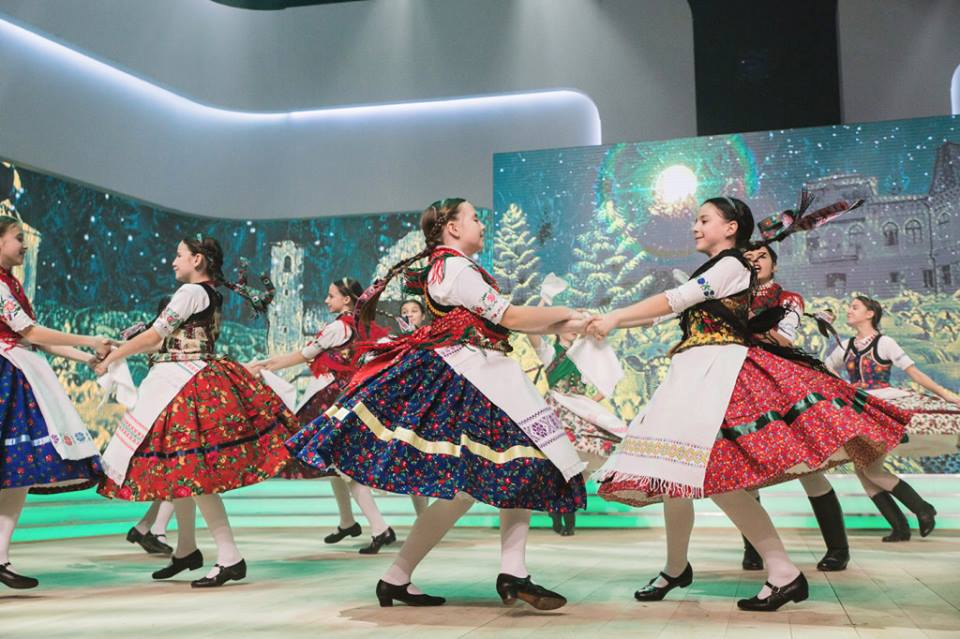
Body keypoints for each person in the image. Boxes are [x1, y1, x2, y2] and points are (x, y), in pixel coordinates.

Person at [588, 196, 909, 611]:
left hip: (716, 374)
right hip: (695, 373)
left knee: (710, 474)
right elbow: (662, 313)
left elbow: (675, 299)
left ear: (731, 227)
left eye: (704, 219)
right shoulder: (715, 268)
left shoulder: (732, 265)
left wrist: (613, 317)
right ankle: (678, 568)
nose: (695, 227)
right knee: (675, 473)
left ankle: (782, 572)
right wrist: (598, 320)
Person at [288, 198, 588, 609]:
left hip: (479, 375)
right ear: (452, 227)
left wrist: (565, 322)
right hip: (474, 378)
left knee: (499, 475)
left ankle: (413, 577)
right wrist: (570, 314)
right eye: (474, 218)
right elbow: (509, 317)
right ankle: (502, 573)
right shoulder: (456, 269)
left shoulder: (449, 267)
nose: (481, 224)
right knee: (510, 468)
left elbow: (502, 320)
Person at [96, 235, 299, 587]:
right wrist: (120, 347)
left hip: (184, 384)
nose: (174, 261)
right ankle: (186, 549)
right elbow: (164, 339)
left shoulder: (190, 292)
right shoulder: (209, 294)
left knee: (194, 471)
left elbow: (155, 337)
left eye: (179, 255)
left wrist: (113, 355)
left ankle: (230, 556)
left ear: (198, 259)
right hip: (186, 379)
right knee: (183, 468)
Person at [250, 278, 399, 554]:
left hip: (331, 400)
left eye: (331, 296)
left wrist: (265, 365)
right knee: (335, 464)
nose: (327, 300)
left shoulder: (338, 327)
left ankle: (380, 528)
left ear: (346, 299)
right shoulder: (362, 327)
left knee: (343, 466)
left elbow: (303, 354)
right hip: (347, 397)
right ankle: (348, 522)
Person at [0, 214, 108, 589]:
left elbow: (32, 338)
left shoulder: (11, 283)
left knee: (18, 473)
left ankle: (0, 556)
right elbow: (29, 331)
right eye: (18, 238)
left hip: (19, 376)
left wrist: (87, 358)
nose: (24, 244)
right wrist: (89, 341)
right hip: (7, 376)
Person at [823, 295, 960, 541]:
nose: (849, 311)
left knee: (870, 469)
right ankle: (900, 527)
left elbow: (914, 373)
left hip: (881, 406)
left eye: (855, 307)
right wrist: (844, 386)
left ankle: (922, 508)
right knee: (863, 470)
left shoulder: (885, 342)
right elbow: (825, 367)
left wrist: (946, 394)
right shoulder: (846, 345)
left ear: (870, 314)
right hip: (860, 407)